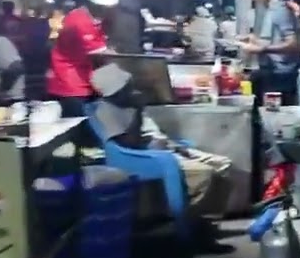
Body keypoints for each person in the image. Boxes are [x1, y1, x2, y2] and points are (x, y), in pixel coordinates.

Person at [90, 63, 232, 222]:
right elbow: (130, 142)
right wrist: (138, 110)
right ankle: (192, 222)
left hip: (166, 147)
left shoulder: (128, 101)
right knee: (204, 173)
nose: (131, 89)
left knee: (223, 165)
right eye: (126, 88)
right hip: (148, 156)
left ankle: (209, 220)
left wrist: (175, 145)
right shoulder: (107, 111)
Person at [48, 0, 121, 117]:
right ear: (97, 5)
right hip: (70, 84)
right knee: (80, 127)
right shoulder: (79, 22)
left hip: (87, 80)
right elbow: (104, 56)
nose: (112, 11)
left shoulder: (96, 19)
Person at [240, 0, 300, 105]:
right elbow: (273, 40)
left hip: (281, 76)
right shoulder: (270, 9)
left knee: (275, 118)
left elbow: (293, 44)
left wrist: (262, 50)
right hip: (272, 72)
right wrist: (254, 40)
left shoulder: (280, 10)